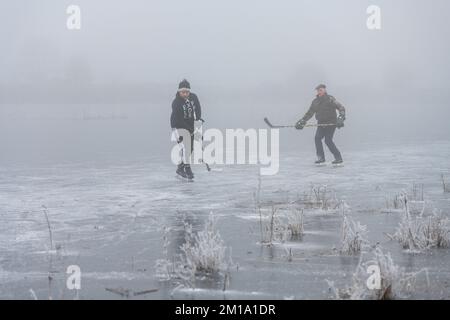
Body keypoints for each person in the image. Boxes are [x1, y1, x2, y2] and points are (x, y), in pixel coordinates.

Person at [295, 84, 346, 165]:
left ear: (325, 90)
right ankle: (321, 158)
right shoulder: (315, 102)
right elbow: (309, 113)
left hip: (331, 123)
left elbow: (341, 108)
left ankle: (338, 158)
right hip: (321, 124)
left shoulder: (330, 99)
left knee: (328, 140)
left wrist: (341, 118)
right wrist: (302, 121)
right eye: (318, 90)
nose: (319, 92)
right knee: (317, 138)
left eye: (321, 90)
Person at [170, 79, 202, 179]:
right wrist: (190, 130)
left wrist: (197, 120)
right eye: (183, 92)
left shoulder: (193, 97)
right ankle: (187, 168)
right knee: (185, 147)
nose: (185, 94)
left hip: (190, 123)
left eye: (187, 92)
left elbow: (198, 108)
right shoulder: (176, 102)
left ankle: (180, 168)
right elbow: (178, 120)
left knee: (191, 147)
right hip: (177, 125)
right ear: (179, 92)